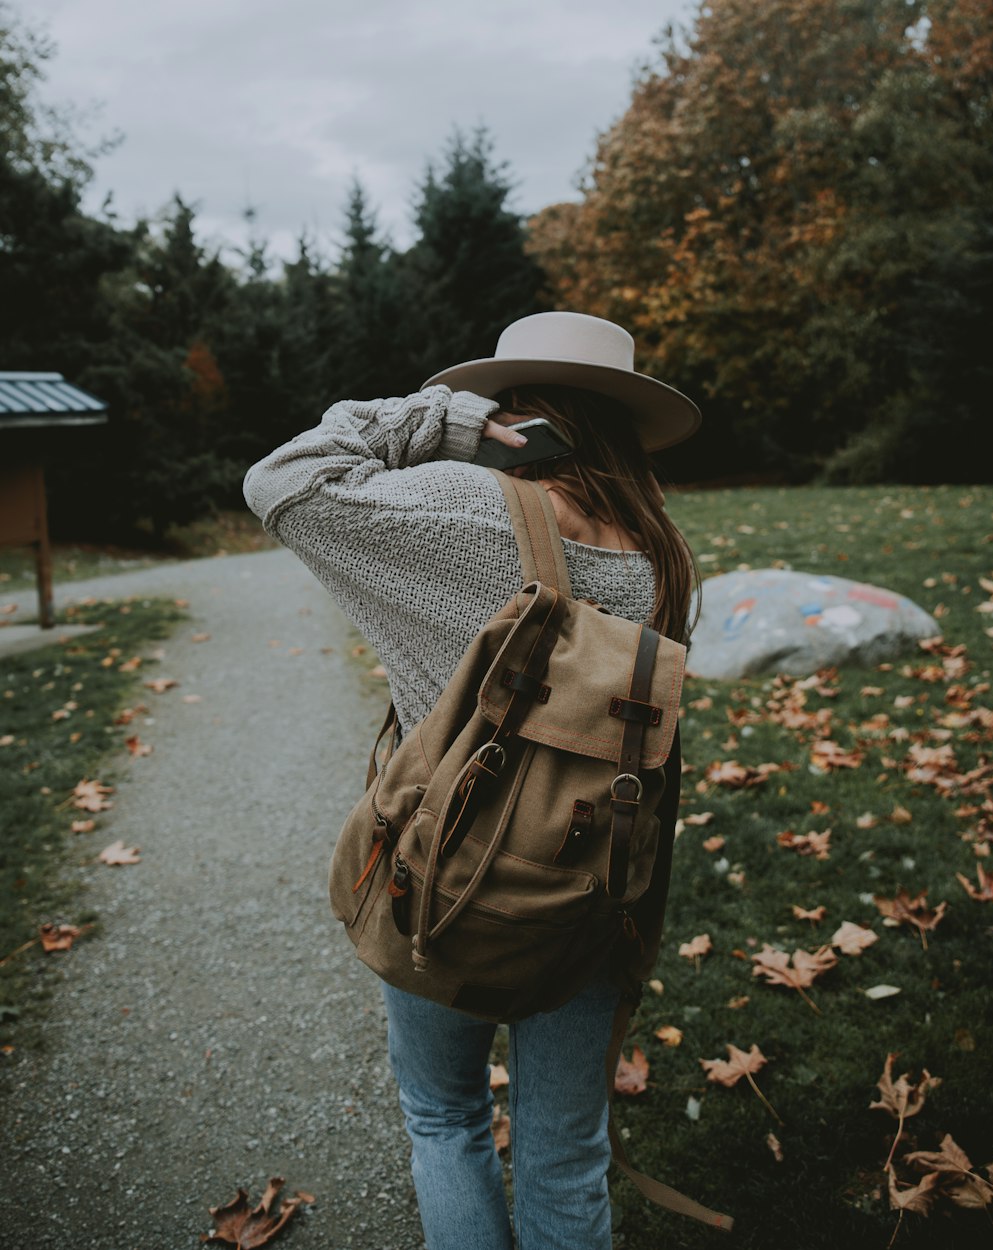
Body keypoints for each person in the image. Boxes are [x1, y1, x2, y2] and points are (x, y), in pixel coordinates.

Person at [243, 311, 701, 1250]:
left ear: (514, 408)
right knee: (567, 1156)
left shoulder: (463, 501)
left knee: (446, 1117)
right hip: (595, 883)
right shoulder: (659, 545)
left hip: (441, 873)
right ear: (621, 422)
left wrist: (444, 425)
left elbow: (282, 479)